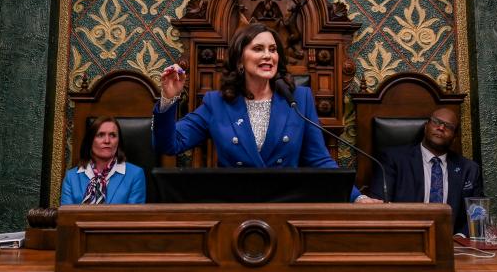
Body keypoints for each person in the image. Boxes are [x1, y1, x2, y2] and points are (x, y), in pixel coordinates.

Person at [154, 22, 375, 203]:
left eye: (273, 49)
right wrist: (168, 99)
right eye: (258, 49)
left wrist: (357, 198)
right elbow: (170, 144)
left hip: (286, 209)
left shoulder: (298, 99)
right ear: (240, 58)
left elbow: (319, 160)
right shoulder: (217, 103)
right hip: (234, 210)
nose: (268, 55)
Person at [369, 106, 483, 234]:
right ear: (425, 126)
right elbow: (378, 205)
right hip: (404, 238)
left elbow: (476, 214)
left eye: (448, 127)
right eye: (436, 122)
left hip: (453, 245)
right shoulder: (393, 160)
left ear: (454, 137)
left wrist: (460, 238)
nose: (441, 128)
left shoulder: (469, 169)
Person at [61, 115, 146, 205]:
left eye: (112, 135)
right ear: (90, 140)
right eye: (100, 135)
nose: (107, 141)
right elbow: (67, 217)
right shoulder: (71, 177)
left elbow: (133, 217)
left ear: (118, 141)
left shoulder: (135, 175)